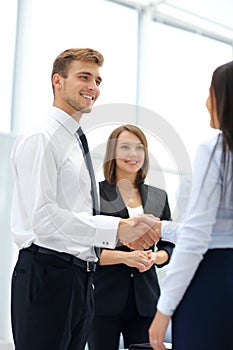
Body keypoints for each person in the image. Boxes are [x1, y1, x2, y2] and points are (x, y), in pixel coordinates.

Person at [10, 48, 160, 350]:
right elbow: (44, 219)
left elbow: (74, 213)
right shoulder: (43, 136)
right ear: (58, 81)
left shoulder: (74, 140)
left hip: (80, 277)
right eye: (84, 77)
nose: (93, 87)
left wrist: (125, 231)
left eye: (98, 80)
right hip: (49, 273)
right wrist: (117, 229)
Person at [148, 60, 233, 350]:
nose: (206, 101)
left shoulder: (215, 150)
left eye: (211, 92)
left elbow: (197, 236)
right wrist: (163, 228)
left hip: (214, 280)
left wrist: (164, 308)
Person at [88, 124, 175, 350]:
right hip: (104, 299)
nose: (133, 154)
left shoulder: (158, 196)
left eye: (139, 148)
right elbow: (85, 246)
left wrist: (155, 258)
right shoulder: (95, 194)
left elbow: (170, 244)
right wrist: (125, 258)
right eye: (125, 147)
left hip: (145, 300)